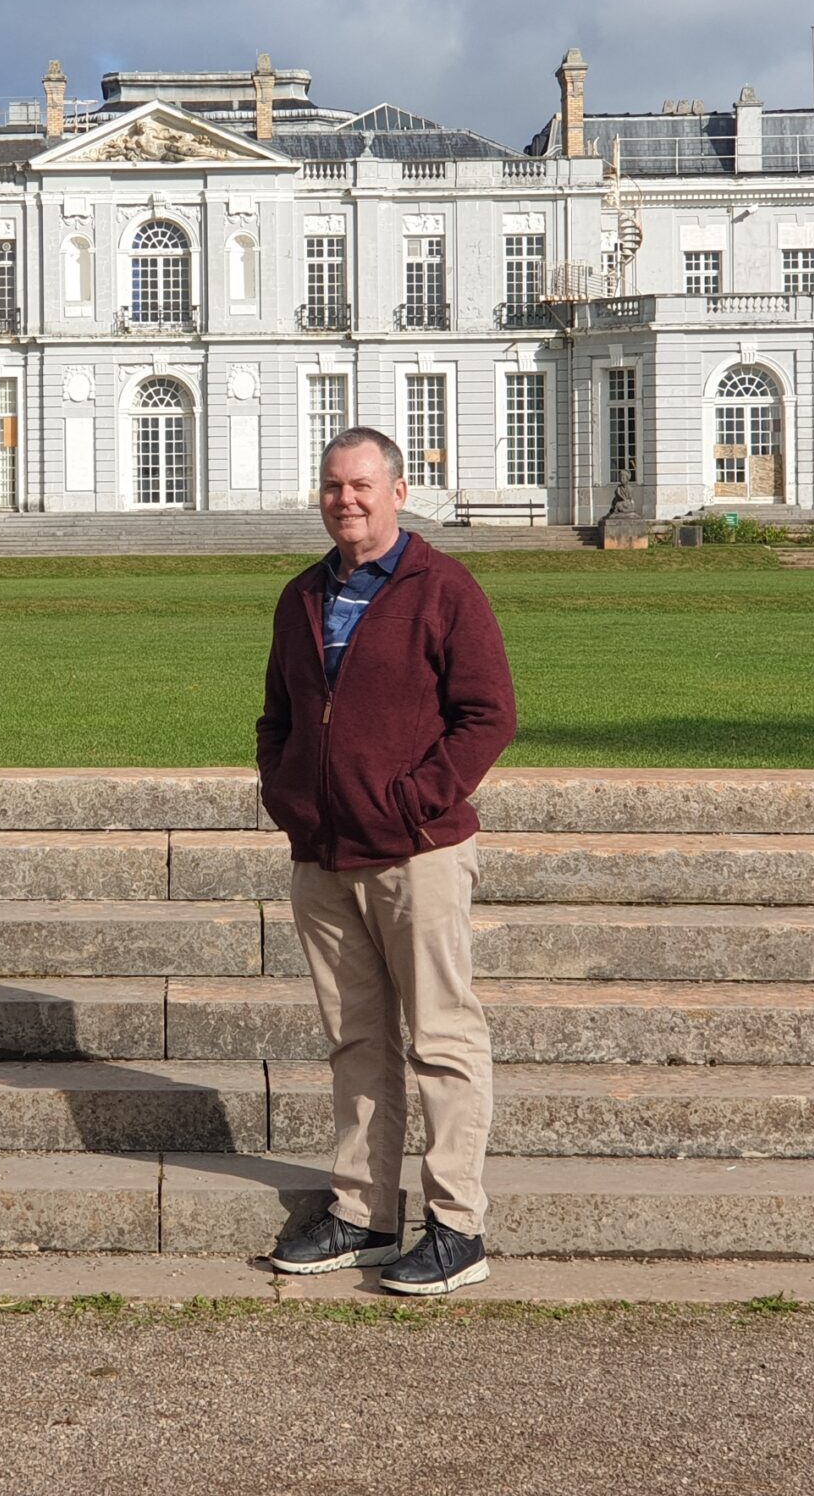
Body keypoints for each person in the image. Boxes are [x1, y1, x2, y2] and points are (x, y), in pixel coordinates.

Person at [255, 425, 518, 1294]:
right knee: (356, 1042)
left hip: (418, 853)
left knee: (442, 1038)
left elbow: (487, 715)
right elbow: (279, 720)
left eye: (363, 486)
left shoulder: (441, 587)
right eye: (333, 487)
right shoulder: (302, 596)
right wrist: (290, 796)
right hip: (324, 852)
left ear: (399, 492)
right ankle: (364, 1212)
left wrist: (412, 801)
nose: (347, 501)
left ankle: (456, 1225)